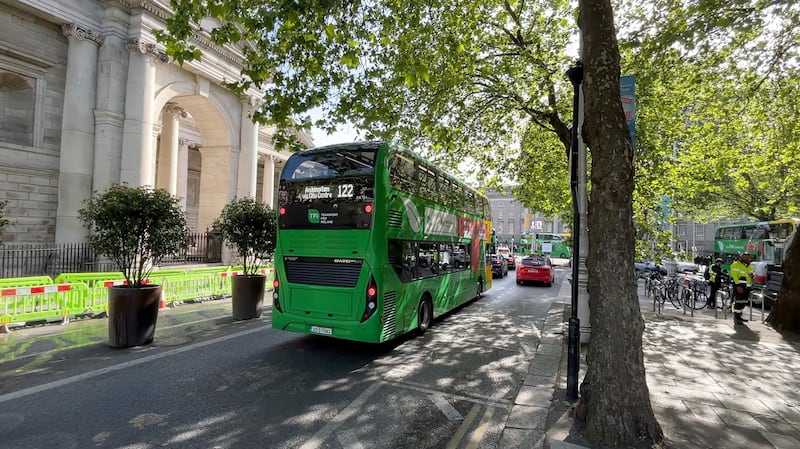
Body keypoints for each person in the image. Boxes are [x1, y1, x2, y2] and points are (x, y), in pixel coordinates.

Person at [729, 252, 754, 324]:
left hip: (747, 286)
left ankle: (739, 315)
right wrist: (738, 285)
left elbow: (751, 275)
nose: (746, 258)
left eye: (748, 257)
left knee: (744, 301)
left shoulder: (750, 266)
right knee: (739, 301)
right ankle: (736, 317)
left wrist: (753, 276)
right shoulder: (735, 264)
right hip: (739, 285)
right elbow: (734, 275)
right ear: (741, 257)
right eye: (745, 257)